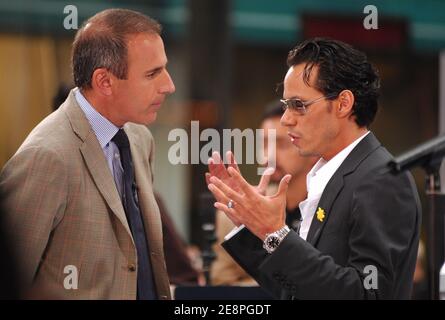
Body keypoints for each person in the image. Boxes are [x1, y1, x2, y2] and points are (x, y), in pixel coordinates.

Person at [206, 38, 421, 299]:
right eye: (286, 106)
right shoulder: (335, 173)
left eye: (299, 105)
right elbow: (296, 289)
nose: (286, 119)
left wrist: (275, 233)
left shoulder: (381, 178)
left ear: (343, 104)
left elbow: (368, 294)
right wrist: (252, 226)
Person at [0, 8, 175, 299]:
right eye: (152, 73)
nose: (169, 85)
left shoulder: (140, 139)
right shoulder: (46, 156)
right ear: (104, 81)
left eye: (164, 68)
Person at [210, 102, 317, 285]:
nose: (268, 156)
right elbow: (222, 284)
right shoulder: (240, 210)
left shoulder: (333, 205)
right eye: (264, 143)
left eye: (282, 144)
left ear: (312, 147)